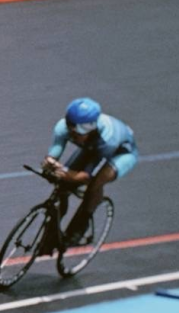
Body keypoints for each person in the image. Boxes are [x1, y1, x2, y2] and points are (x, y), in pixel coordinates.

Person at [41, 97, 137, 249]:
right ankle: (52, 233)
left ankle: (80, 226)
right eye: (71, 130)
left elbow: (85, 176)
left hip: (120, 154)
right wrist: (49, 164)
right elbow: (54, 154)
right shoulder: (63, 128)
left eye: (79, 132)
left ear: (92, 127)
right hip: (91, 148)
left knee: (94, 183)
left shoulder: (107, 140)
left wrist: (66, 173)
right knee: (63, 185)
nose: (74, 135)